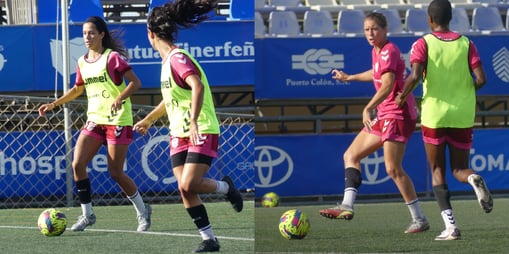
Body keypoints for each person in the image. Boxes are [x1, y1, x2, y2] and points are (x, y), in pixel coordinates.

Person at [133, 0, 243, 252]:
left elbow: (197, 85)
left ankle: (226, 189)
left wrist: (193, 120)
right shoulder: (167, 63)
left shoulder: (177, 58)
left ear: (150, 35)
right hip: (178, 133)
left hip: (200, 127)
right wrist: (150, 119)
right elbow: (171, 99)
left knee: (187, 184)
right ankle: (209, 239)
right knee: (185, 189)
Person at [318, 12, 429, 234]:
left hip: (398, 113)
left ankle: (419, 219)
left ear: (385, 30)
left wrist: (368, 108)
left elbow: (387, 84)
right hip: (386, 114)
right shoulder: (377, 51)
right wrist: (349, 77)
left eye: (375, 29)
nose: (370, 33)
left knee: (392, 168)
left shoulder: (390, 50)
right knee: (351, 155)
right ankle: (347, 206)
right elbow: (375, 74)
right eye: (367, 29)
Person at [38, 16, 151, 232]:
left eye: (91, 33)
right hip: (95, 119)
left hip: (117, 120)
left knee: (116, 172)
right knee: (77, 165)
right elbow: (78, 89)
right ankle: (87, 215)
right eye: (84, 34)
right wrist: (54, 104)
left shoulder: (113, 58)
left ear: (101, 34)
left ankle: (142, 210)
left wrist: (120, 97)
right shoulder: (82, 61)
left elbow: (136, 83)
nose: (87, 37)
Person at [396, 0, 492, 241]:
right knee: (460, 168)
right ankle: (472, 178)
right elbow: (481, 79)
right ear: (451, 18)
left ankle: (451, 227)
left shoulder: (422, 44)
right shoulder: (466, 43)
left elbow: (416, 76)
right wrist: (461, 92)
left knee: (438, 169)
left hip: (434, 115)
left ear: (430, 19)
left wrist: (402, 95)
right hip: (462, 113)